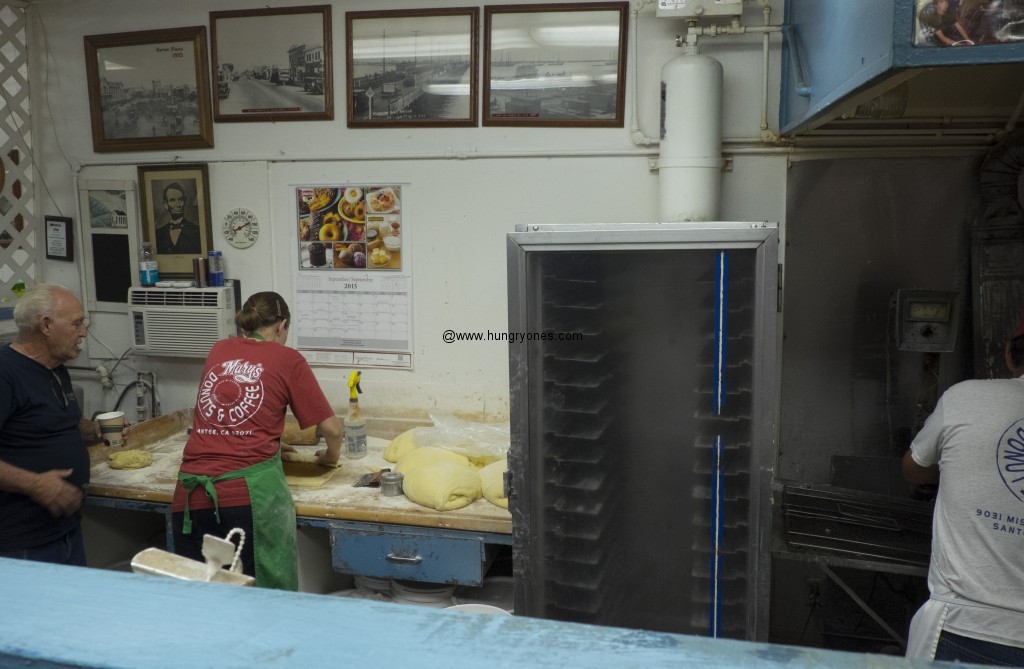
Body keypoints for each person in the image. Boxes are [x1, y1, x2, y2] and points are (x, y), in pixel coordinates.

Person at [171, 291, 342, 590]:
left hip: (189, 494)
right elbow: (333, 430)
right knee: (261, 601)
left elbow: (226, 415)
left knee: (198, 602)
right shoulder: (287, 358)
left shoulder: (219, 349)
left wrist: (271, 443)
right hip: (245, 498)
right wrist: (330, 457)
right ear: (281, 325)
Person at [902, 320, 1024, 665]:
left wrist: (962, 465)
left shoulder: (965, 397)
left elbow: (912, 470)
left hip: (963, 627)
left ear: (1009, 354)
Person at [0, 284, 103, 566]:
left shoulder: (55, 367)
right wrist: (35, 484)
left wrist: (94, 430)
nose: (83, 332)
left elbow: (57, 422)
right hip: (22, 542)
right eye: (77, 323)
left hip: (65, 530)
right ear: (46, 325)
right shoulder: (6, 372)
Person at [154, 182, 202, 254]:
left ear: (184, 201)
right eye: (173, 200)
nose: (178, 204)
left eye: (181, 199)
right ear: (166, 204)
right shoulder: (158, 234)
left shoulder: (197, 231)